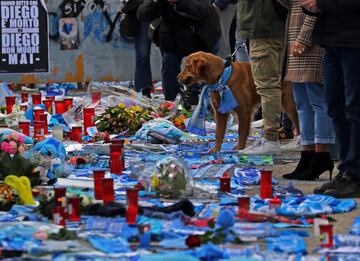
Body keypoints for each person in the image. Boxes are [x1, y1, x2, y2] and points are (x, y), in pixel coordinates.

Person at [300, 0, 360, 198]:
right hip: (331, 40)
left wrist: (321, 3)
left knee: (354, 108)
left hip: (353, 40)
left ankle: (355, 174)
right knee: (335, 107)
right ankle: (345, 169)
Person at [281, 0, 335, 181]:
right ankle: (308, 154)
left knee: (317, 101)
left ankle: (322, 154)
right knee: (303, 104)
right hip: (295, 35)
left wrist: (304, 38)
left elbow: (315, 7)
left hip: (309, 41)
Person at [137, 0, 221, 104]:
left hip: (200, 37)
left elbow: (205, 10)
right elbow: (142, 14)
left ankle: (204, 100)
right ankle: (171, 101)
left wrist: (180, 2)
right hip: (172, 38)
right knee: (169, 61)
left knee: (203, 68)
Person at [237, 0, 285, 155]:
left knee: (267, 86)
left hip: (264, 29)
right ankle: (277, 135)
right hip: (263, 28)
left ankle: (271, 138)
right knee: (272, 85)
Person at [134, 21, 153, 98]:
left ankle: (171, 93)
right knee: (143, 56)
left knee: (169, 55)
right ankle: (144, 89)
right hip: (145, 17)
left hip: (163, 15)